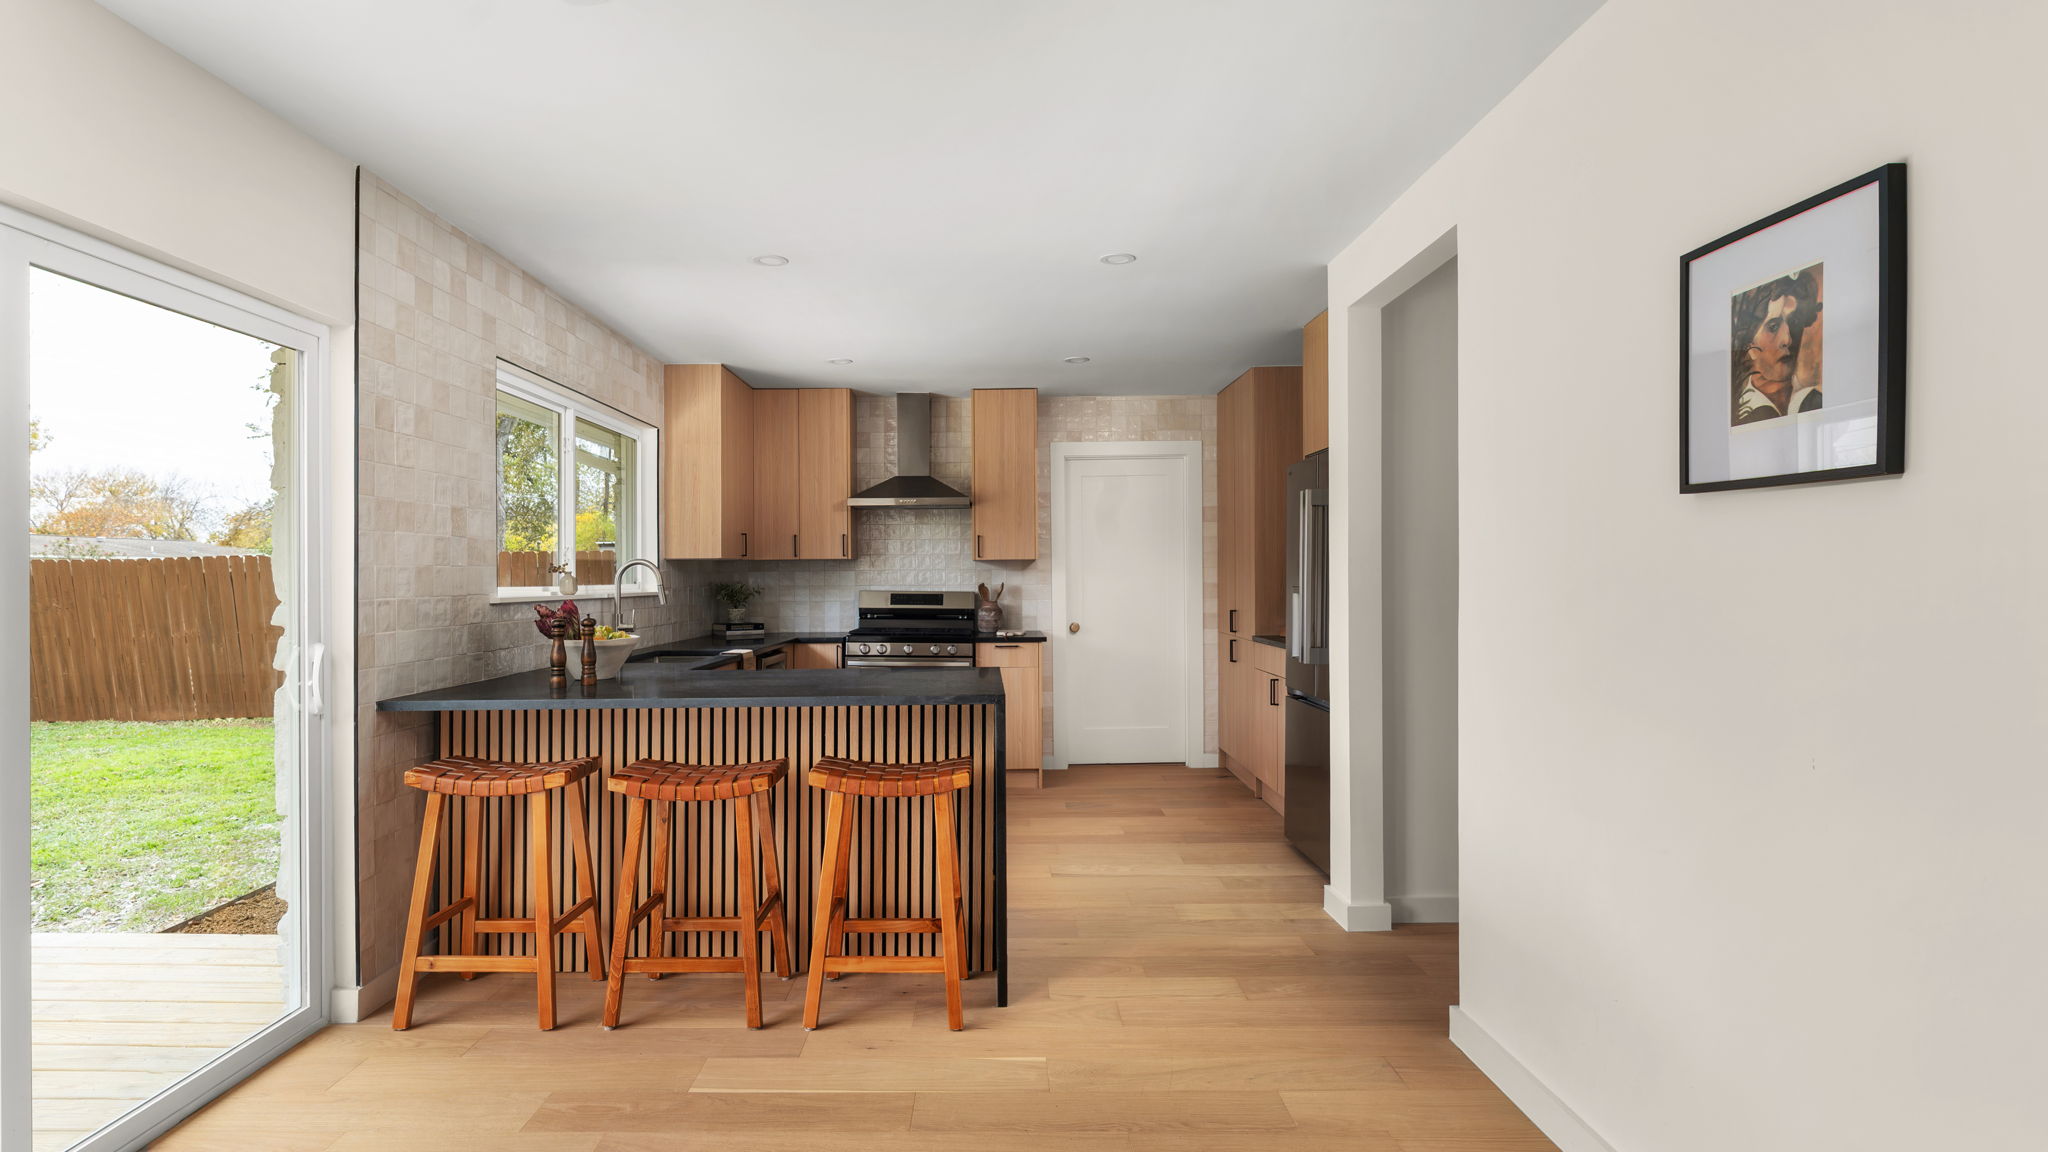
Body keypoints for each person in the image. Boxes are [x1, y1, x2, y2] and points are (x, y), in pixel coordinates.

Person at [1731, 267, 1822, 425]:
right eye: (1773, 327)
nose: (1787, 339)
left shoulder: (1813, 401)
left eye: (1794, 322)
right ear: (1749, 342)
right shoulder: (1739, 414)